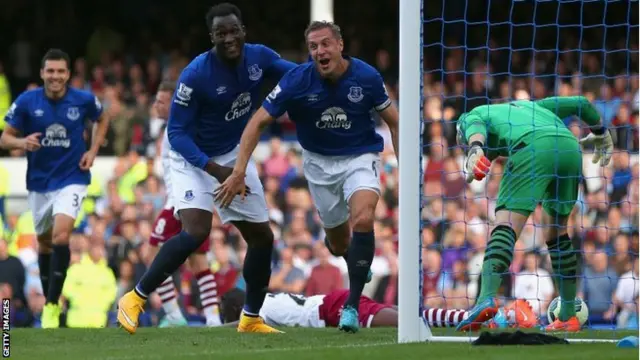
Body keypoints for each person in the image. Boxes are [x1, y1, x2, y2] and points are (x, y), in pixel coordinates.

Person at [116, 3, 296, 334]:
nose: (229, 38)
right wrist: (215, 171)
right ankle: (135, 298)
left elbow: (297, 75)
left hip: (232, 154)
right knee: (197, 230)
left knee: (262, 237)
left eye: (233, 30)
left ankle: (251, 318)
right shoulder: (196, 75)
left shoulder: (260, 58)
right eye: (220, 33)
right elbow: (176, 133)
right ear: (211, 37)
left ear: (244, 30)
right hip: (192, 157)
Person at [216, 21, 399, 333]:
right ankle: (352, 256)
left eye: (325, 44)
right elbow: (256, 123)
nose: (320, 51)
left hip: (360, 156)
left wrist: (405, 170)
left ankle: (352, 306)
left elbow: (395, 121)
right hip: (318, 165)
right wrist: (237, 172)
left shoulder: (366, 76)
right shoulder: (296, 81)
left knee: (365, 219)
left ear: (340, 45)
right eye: (314, 47)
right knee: (340, 242)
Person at [455, 96, 613, 332]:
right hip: (570, 149)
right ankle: (568, 315)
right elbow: (582, 104)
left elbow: (475, 128)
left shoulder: (473, 115)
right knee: (556, 233)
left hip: (531, 147)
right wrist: (601, 132)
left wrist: (475, 147)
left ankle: (485, 298)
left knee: (505, 224)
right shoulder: (534, 107)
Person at [0, 48, 109, 328]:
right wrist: (23, 143)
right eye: (50, 71)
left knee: (61, 236)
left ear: (68, 74)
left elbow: (103, 116)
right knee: (45, 242)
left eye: (61, 71)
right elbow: (5, 139)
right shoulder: (27, 101)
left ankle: (51, 305)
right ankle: (49, 300)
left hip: (72, 178)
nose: (55, 76)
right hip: (39, 183)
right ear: (42, 73)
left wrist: (94, 149)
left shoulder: (83, 99)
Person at [145, 81, 221, 327]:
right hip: (190, 200)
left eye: (161, 101)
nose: (156, 104)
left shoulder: (179, 129)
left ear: (174, 103)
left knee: (152, 253)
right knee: (199, 259)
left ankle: (174, 315)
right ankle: (212, 318)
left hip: (180, 201)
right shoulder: (176, 127)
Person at [219, 288, 538, 330]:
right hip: (332, 302)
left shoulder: (255, 309)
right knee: (413, 317)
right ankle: (498, 316)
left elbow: (231, 326)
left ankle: (501, 317)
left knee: (407, 324)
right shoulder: (267, 298)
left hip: (331, 309)